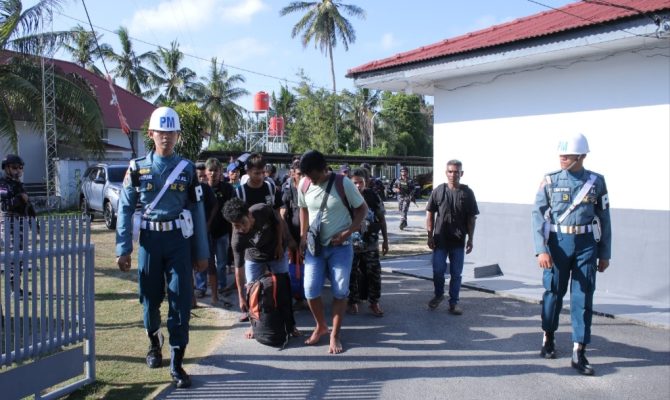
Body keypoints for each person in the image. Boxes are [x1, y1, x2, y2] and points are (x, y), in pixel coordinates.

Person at [115, 106, 209, 389]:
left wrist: (201, 252)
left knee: (180, 300)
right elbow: (125, 207)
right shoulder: (137, 168)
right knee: (149, 299)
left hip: (178, 241)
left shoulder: (187, 169)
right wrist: (123, 248)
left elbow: (197, 210)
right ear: (151, 134)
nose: (166, 137)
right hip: (150, 242)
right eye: (161, 132)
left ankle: (176, 362)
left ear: (178, 135)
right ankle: (154, 343)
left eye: (171, 132)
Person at [531, 133, 611, 376]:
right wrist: (541, 249)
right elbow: (537, 214)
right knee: (553, 291)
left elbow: (605, 218)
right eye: (561, 155)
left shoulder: (597, 182)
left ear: (581, 156)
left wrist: (605, 253)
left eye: (567, 156)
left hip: (586, 244)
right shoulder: (550, 180)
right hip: (558, 243)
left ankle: (579, 350)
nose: (562, 159)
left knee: (583, 296)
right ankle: (548, 336)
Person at [298, 150, 368, 354]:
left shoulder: (343, 183)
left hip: (341, 248)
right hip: (315, 248)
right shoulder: (303, 184)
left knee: (340, 290)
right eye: (308, 176)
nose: (311, 180)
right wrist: (302, 236)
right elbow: (303, 209)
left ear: (324, 168)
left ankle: (335, 334)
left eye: (314, 176)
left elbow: (362, 209)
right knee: (310, 290)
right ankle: (321, 326)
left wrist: (347, 232)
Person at [223, 197, 299, 339]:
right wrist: (241, 297)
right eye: (236, 226)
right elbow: (239, 269)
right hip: (254, 257)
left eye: (243, 223)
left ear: (249, 214)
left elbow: (278, 222)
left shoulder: (261, 209)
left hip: (276, 250)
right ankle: (254, 325)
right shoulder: (237, 240)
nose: (241, 229)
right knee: (253, 292)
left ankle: (290, 325)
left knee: (283, 289)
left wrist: (279, 245)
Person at [425, 160, 479, 315]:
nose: (453, 174)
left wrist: (471, 239)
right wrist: (429, 236)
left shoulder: (467, 193)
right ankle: (438, 295)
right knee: (438, 271)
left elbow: (471, 218)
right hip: (440, 239)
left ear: (461, 173)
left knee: (456, 274)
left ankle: (453, 303)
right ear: (446, 173)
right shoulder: (439, 191)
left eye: (456, 172)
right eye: (450, 171)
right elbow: (430, 214)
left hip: (458, 241)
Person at [234, 153, 283, 320]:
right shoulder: (240, 193)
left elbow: (278, 219)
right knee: (252, 286)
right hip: (252, 250)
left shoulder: (271, 188)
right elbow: (236, 225)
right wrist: (241, 297)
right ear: (247, 171)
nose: (261, 176)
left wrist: (280, 244)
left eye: (263, 173)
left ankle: (284, 321)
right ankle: (252, 320)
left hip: (273, 245)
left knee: (281, 285)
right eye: (257, 173)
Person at [347, 168, 388, 317]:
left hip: (370, 243)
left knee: (374, 273)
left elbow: (381, 219)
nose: (358, 186)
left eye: (361, 182)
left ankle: (374, 302)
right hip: (350, 244)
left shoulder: (373, 196)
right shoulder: (345, 197)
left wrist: (385, 241)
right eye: (355, 183)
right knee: (350, 273)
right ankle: (353, 301)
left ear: (367, 182)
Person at [0, 154, 35, 295]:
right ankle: (13, 289)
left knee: (19, 257)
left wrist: (34, 222)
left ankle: (17, 288)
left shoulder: (19, 185)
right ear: (6, 168)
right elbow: (4, 206)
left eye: (20, 167)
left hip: (21, 223)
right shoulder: (3, 184)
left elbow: (28, 206)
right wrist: (19, 198)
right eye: (15, 167)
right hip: (9, 222)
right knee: (13, 256)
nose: (18, 170)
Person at [205, 157, 235, 304]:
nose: (213, 173)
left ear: (221, 171)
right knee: (205, 262)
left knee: (222, 263)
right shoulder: (201, 188)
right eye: (210, 170)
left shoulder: (227, 188)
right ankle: (201, 287)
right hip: (205, 233)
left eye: (216, 170)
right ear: (206, 172)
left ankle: (222, 286)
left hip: (222, 232)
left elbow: (233, 208)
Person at [281, 159, 307, 308]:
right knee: (293, 267)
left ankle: (307, 297)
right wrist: (288, 237)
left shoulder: (311, 186)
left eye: (304, 174)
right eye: (299, 174)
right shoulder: (288, 188)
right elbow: (282, 214)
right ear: (293, 174)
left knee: (309, 267)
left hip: (309, 234)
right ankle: (297, 297)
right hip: (292, 234)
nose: (302, 177)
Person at [193, 161, 215, 301]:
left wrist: (208, 223)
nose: (201, 179)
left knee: (202, 256)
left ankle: (201, 287)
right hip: (188, 229)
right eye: (198, 176)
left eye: (203, 176)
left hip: (203, 229)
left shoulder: (206, 188)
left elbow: (214, 206)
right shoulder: (187, 187)